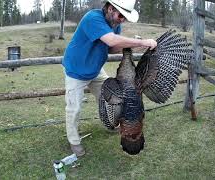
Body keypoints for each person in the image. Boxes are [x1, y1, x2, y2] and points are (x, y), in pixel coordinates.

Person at [62, 0, 157, 157]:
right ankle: (74, 142)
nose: (122, 20)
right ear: (111, 9)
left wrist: (127, 46)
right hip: (76, 70)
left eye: (125, 17)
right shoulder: (92, 18)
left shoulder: (115, 23)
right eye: (121, 15)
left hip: (95, 70)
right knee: (74, 108)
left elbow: (111, 48)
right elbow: (111, 40)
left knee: (113, 99)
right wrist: (141, 42)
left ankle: (110, 125)